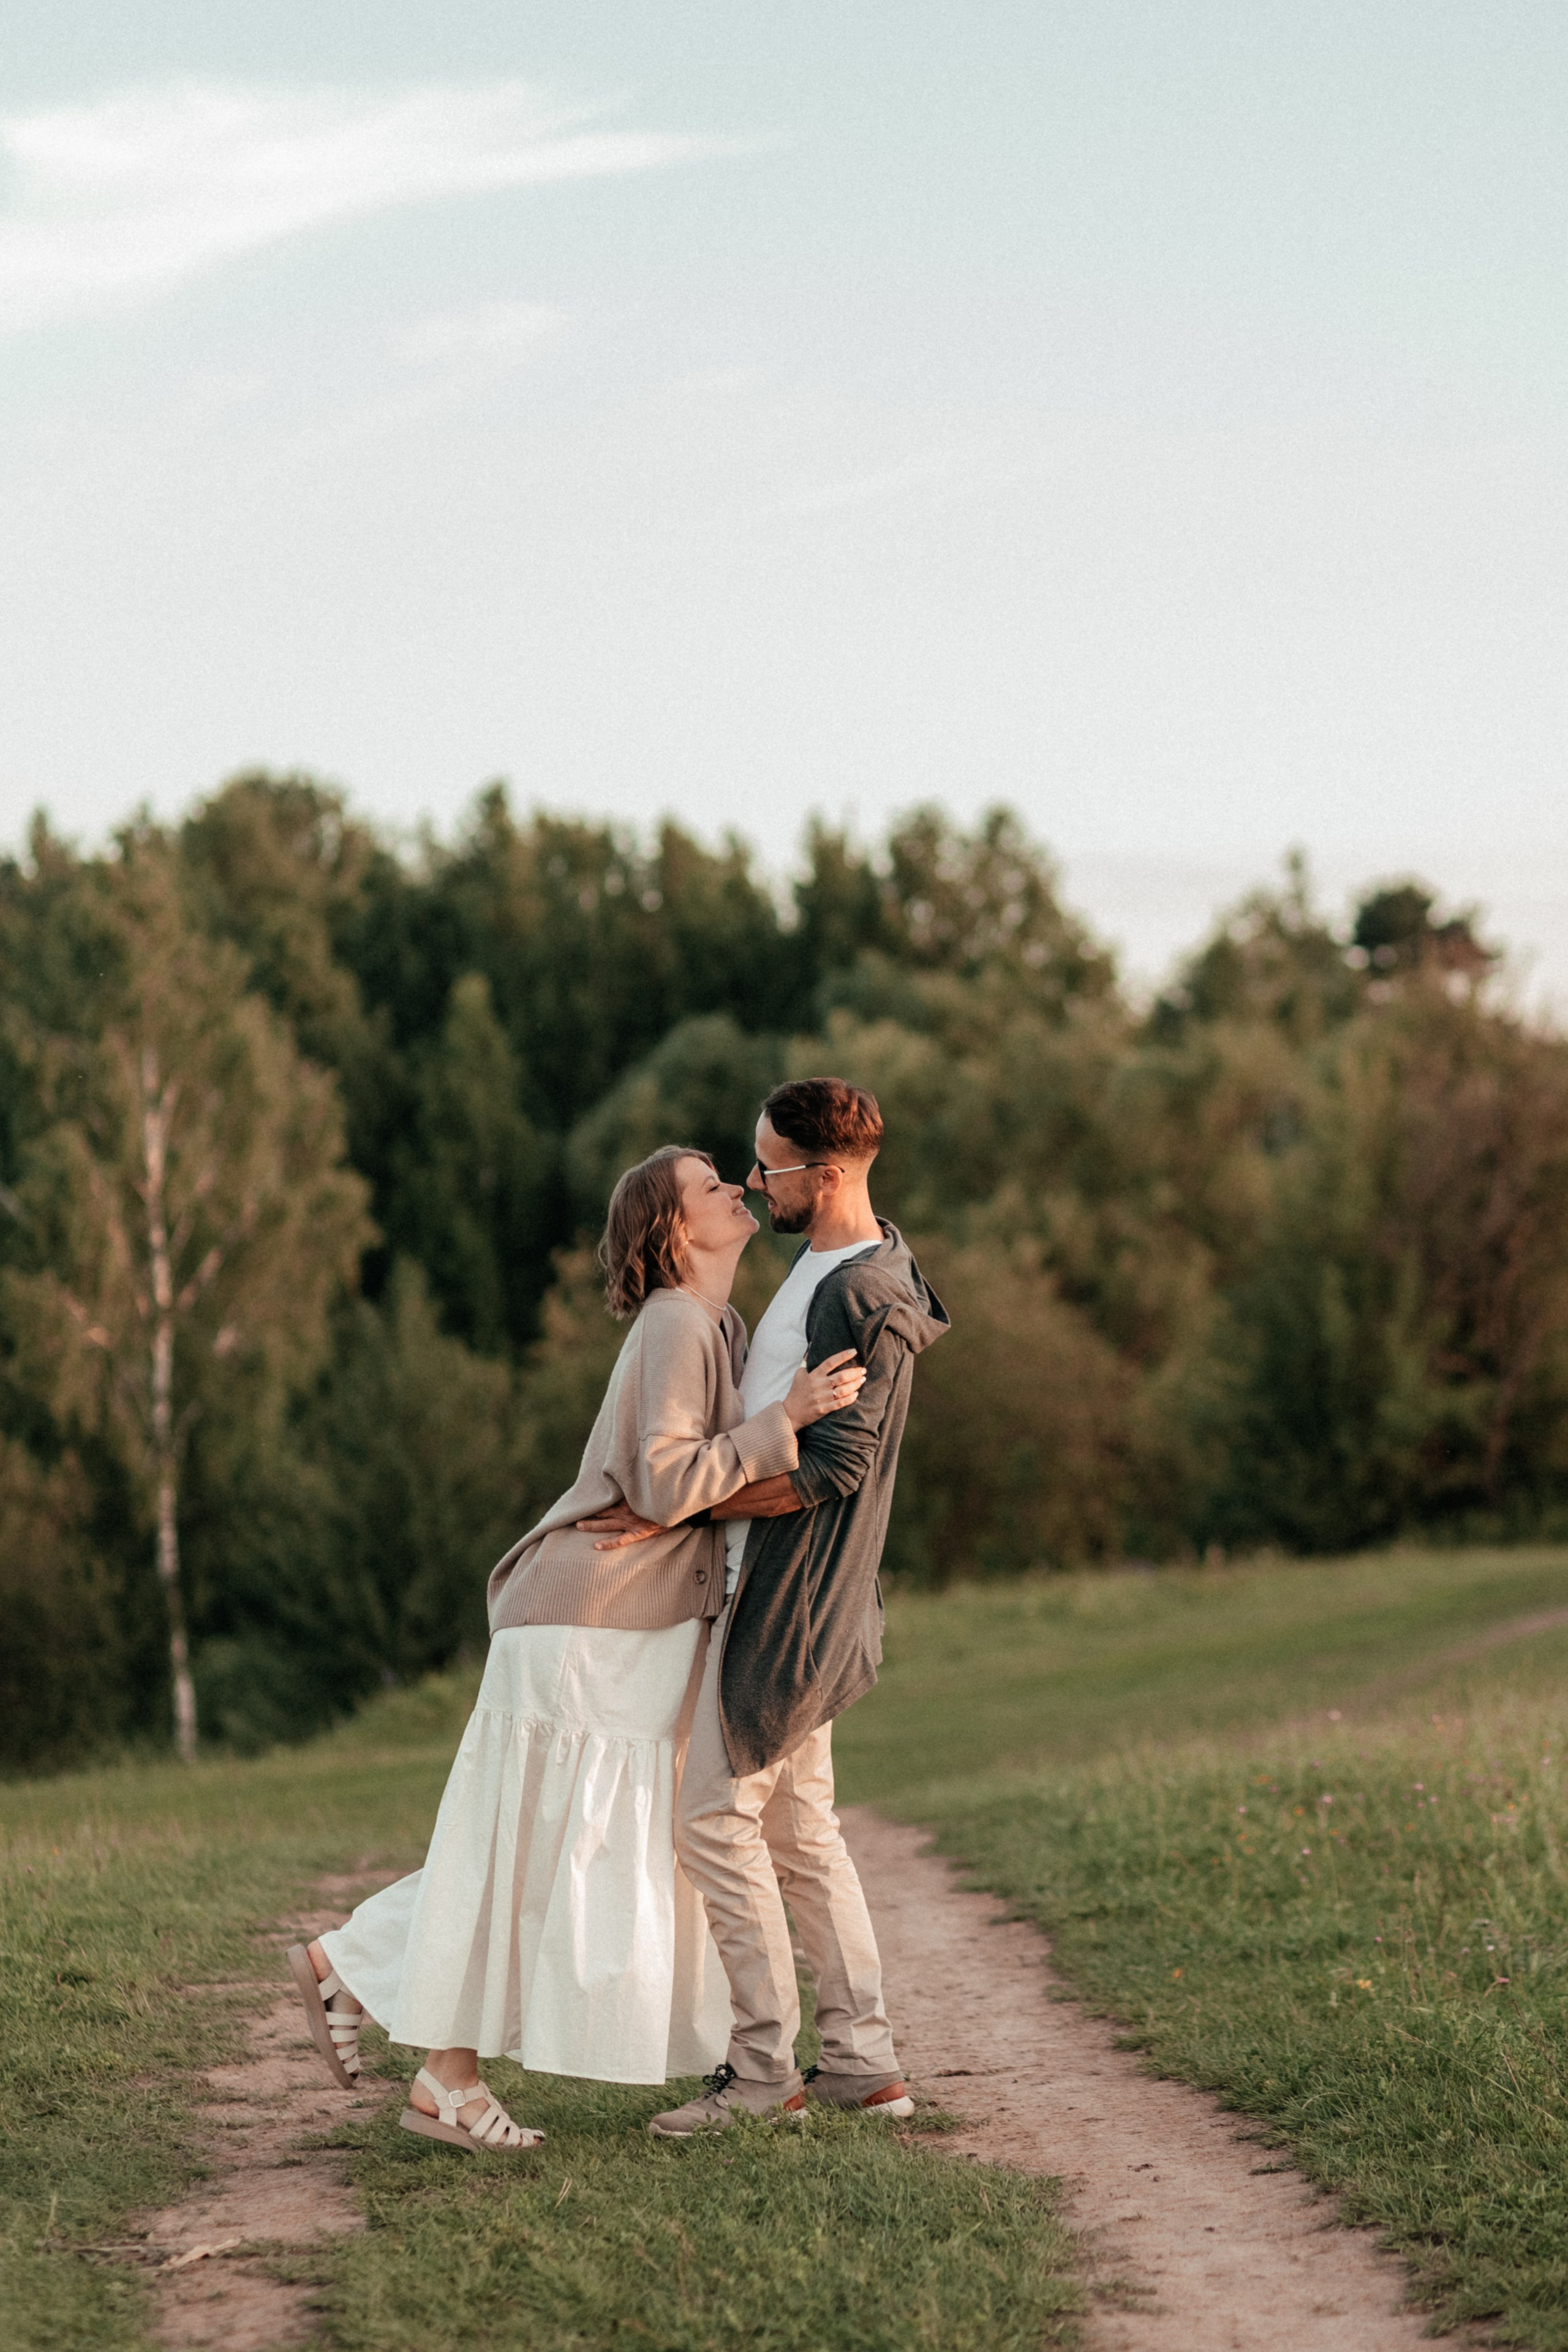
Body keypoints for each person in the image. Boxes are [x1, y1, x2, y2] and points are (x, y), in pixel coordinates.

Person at [285, 1144, 866, 2154]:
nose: (736, 1186)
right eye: (710, 1185)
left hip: (613, 1620)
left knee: (544, 1852)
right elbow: (665, 1482)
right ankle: (414, 2040)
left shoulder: (712, 1325)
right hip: (591, 1621)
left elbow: (677, 1485)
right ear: (674, 1230)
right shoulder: (678, 1321)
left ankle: (392, 2012)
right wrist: (784, 1422)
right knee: (543, 1851)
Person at [578, 1077, 949, 2136]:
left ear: (822, 1176)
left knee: (712, 1819)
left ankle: (761, 2077)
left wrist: (678, 1509)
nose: (751, 1180)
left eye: (767, 1166)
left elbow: (832, 1468)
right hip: (787, 1591)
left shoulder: (854, 1293)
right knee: (799, 1831)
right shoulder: (834, 1266)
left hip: (791, 1601)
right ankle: (863, 2063)